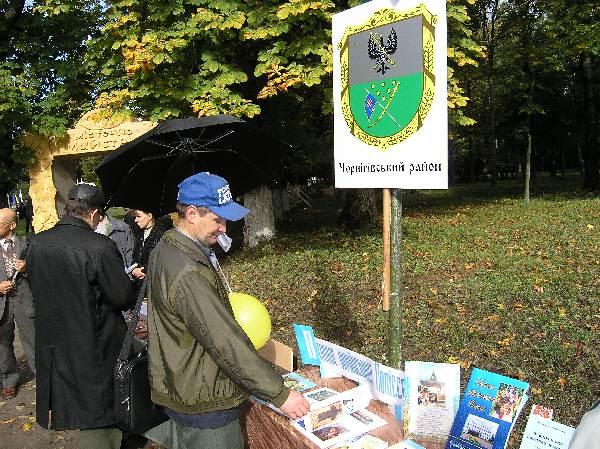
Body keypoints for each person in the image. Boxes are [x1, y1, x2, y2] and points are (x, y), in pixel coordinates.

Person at [145, 172, 309, 449]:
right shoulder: (187, 272)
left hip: (185, 382)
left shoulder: (169, 246)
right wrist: (280, 394)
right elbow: (223, 340)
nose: (224, 228)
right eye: (217, 220)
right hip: (205, 399)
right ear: (192, 213)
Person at [25, 183, 136, 449]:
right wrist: (132, 282)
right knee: (100, 413)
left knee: (83, 407)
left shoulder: (37, 243)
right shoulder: (99, 246)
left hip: (56, 343)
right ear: (95, 213)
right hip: (95, 342)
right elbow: (121, 297)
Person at [0, 208, 36, 398]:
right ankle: (9, 381)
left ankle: (43, 376)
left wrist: (26, 268)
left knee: (32, 339)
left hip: (24, 300)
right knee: (3, 344)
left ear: (12, 226)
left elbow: (40, 271)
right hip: (2, 303)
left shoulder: (27, 243)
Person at [130, 209, 171, 282]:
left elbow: (161, 261)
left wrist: (142, 270)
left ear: (149, 216)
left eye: (139, 216)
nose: (136, 220)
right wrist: (134, 269)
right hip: (140, 281)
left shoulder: (162, 235)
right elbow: (135, 255)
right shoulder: (139, 233)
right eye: (135, 217)